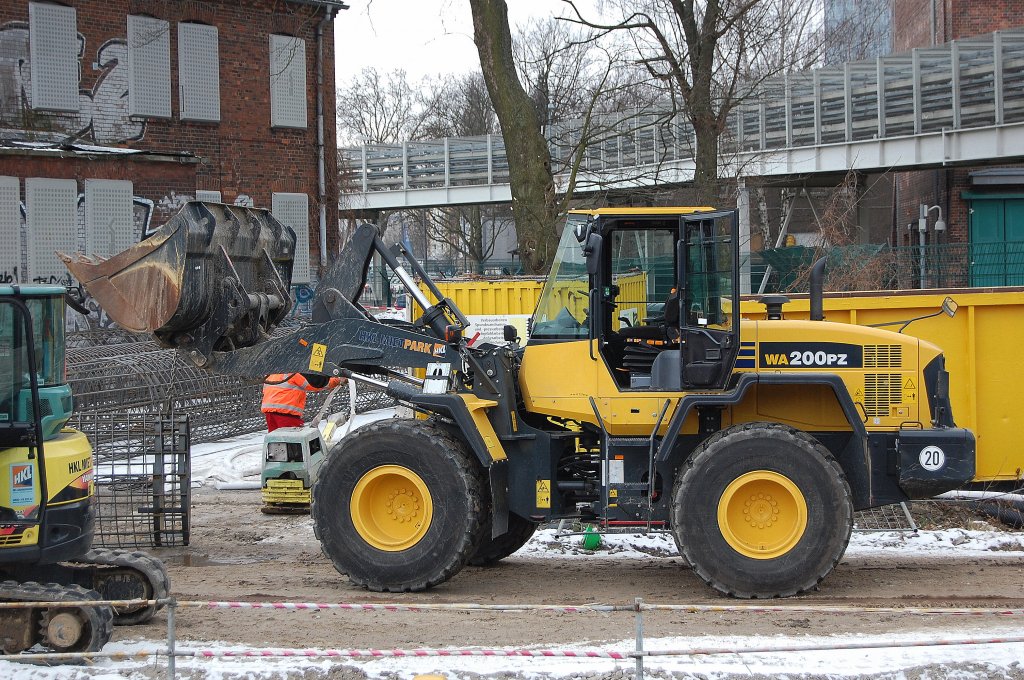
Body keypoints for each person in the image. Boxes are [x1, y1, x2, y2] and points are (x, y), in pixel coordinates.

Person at [261, 372, 344, 431]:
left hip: (270, 414)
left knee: (276, 442)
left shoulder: (271, 375)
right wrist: (338, 380)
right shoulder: (293, 374)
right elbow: (315, 385)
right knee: (294, 441)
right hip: (286, 413)